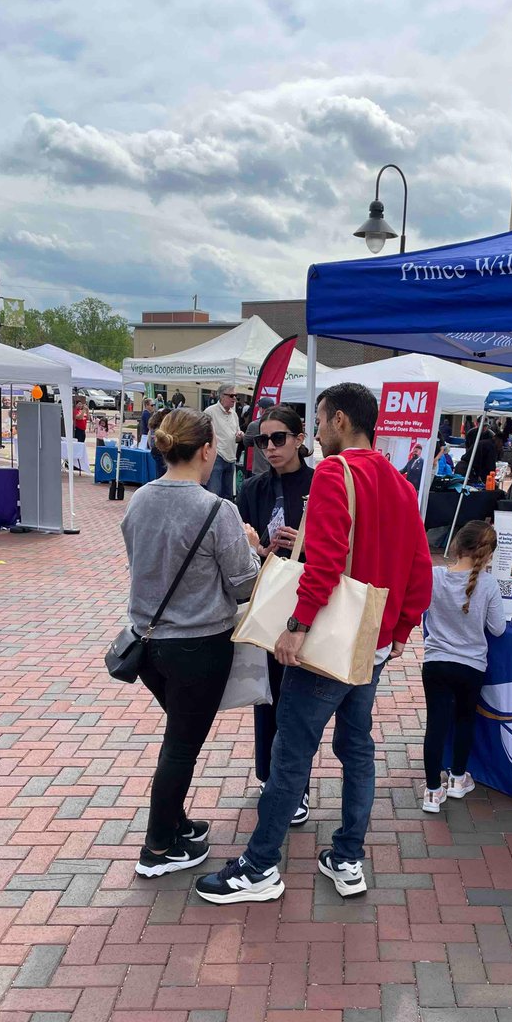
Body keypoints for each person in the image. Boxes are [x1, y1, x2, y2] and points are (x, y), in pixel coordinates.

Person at [196, 382, 433, 904]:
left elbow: (324, 560)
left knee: (291, 753)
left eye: (321, 422)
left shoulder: (333, 471)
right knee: (356, 747)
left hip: (328, 641)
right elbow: (420, 568)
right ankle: (348, 857)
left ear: (342, 420)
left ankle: (260, 866)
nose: (318, 433)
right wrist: (399, 632)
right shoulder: (399, 481)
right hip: (368, 642)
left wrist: (296, 626)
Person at [121, 408, 261, 878]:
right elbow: (245, 585)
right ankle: (157, 847)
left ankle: (175, 823)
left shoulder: (138, 500)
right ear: (206, 449)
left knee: (179, 736)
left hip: (145, 645)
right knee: (181, 745)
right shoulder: (217, 510)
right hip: (199, 647)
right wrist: (248, 543)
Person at [237, 406, 315, 823]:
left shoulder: (321, 482)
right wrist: (258, 548)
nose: (269, 447)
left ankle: (297, 786)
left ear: (300, 437)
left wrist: (303, 543)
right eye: (261, 440)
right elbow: (237, 545)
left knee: (297, 700)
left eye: (278, 438)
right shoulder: (253, 488)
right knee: (266, 694)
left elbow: (341, 544)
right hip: (265, 600)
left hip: (307, 604)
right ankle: (269, 776)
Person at [421, 521, 506, 813]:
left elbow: (420, 608)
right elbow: (497, 629)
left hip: (436, 662)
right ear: (489, 554)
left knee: (435, 725)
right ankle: (458, 778)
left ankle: (433, 791)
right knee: (465, 720)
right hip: (470, 665)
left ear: (456, 545)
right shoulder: (488, 584)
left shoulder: (434, 576)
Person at [203, 384, 242, 498]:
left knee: (228, 496)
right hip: (217, 457)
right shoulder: (210, 412)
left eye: (236, 396)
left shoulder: (234, 414)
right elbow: (203, 433)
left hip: (231, 457)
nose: (234, 399)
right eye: (231, 395)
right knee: (214, 495)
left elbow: (236, 435)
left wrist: (239, 435)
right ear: (221, 396)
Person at [241, 400, 273, 477]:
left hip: (260, 469)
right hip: (277, 468)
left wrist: (243, 436)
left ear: (262, 410)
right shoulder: (280, 424)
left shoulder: (255, 425)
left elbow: (246, 442)